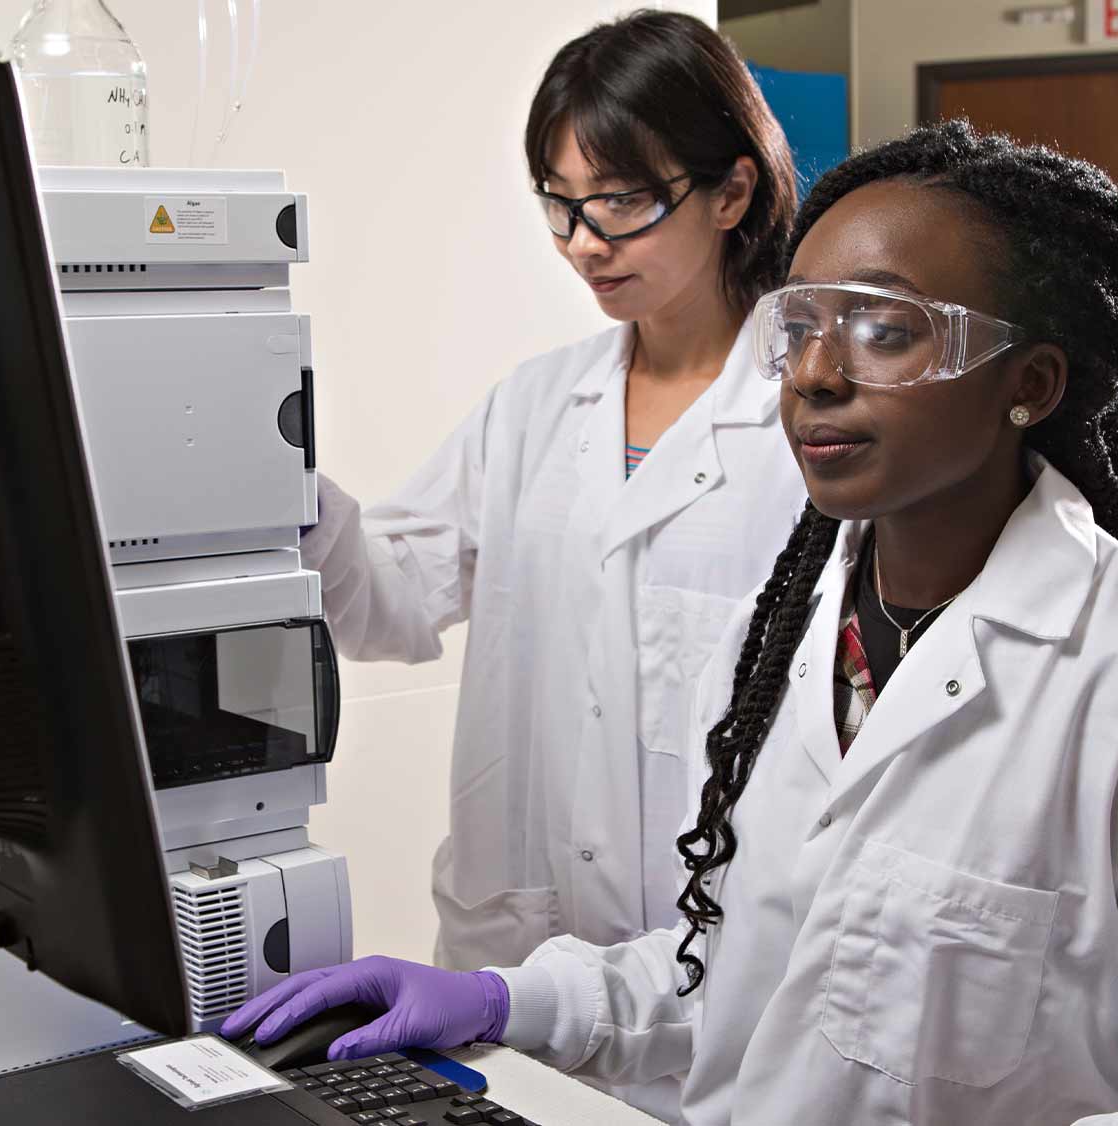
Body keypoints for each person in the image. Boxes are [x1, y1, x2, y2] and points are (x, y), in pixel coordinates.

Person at [225, 121, 1118, 1125]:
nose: (813, 374)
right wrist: (506, 997)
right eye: (801, 324)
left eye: (883, 330)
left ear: (1027, 381)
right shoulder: (779, 645)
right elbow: (733, 976)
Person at [305, 9, 804, 978]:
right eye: (560, 204)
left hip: (705, 992)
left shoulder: (804, 427)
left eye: (618, 202)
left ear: (731, 190)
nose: (582, 243)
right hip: (515, 961)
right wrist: (278, 486)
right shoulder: (536, 406)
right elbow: (387, 602)